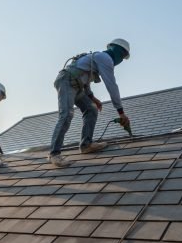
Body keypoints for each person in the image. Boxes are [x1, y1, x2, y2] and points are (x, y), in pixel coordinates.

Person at [49, 38, 131, 167]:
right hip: (66, 81)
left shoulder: (98, 58)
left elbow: (84, 80)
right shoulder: (105, 58)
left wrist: (93, 99)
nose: (121, 60)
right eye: (123, 56)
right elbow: (111, 85)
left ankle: (86, 145)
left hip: (76, 85)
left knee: (91, 109)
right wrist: (121, 112)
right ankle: (54, 154)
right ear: (119, 52)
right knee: (66, 114)